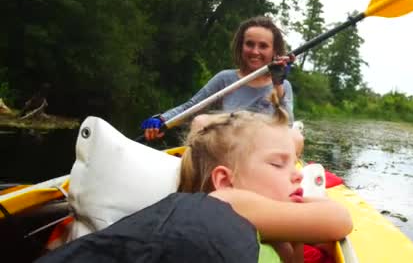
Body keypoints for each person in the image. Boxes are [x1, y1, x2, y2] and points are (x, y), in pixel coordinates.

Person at [37, 95, 351, 263]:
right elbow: (338, 219)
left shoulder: (269, 227)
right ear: (225, 180)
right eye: (278, 164)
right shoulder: (231, 201)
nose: (296, 173)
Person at [141, 16, 296, 142]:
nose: (255, 51)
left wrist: (278, 84)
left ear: (274, 50)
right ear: (241, 46)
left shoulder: (282, 85)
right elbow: (192, 107)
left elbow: (287, 126)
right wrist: (162, 119)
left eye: (263, 46)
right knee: (200, 121)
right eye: (249, 44)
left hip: (261, 151)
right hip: (227, 147)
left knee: (296, 138)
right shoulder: (225, 78)